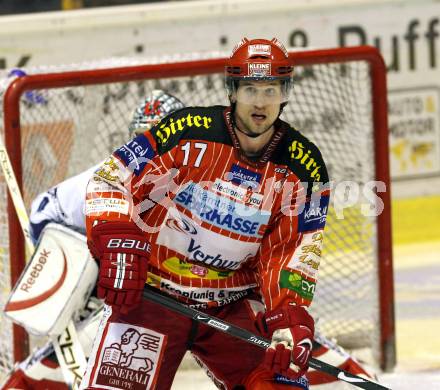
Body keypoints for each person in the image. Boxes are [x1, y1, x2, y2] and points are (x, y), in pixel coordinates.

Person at [82, 37, 332, 390]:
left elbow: (293, 250)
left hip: (233, 304)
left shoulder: (305, 165)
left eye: (271, 90)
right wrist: (115, 234)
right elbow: (110, 178)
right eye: (250, 89)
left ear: (285, 93)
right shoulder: (185, 131)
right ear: (232, 90)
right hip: (154, 295)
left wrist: (288, 317)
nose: (260, 102)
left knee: (279, 383)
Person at [0, 90, 186, 390]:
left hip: (142, 277)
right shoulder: (110, 177)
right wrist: (82, 268)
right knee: (99, 343)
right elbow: (44, 211)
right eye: (145, 137)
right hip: (87, 254)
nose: (157, 152)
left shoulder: (204, 181)